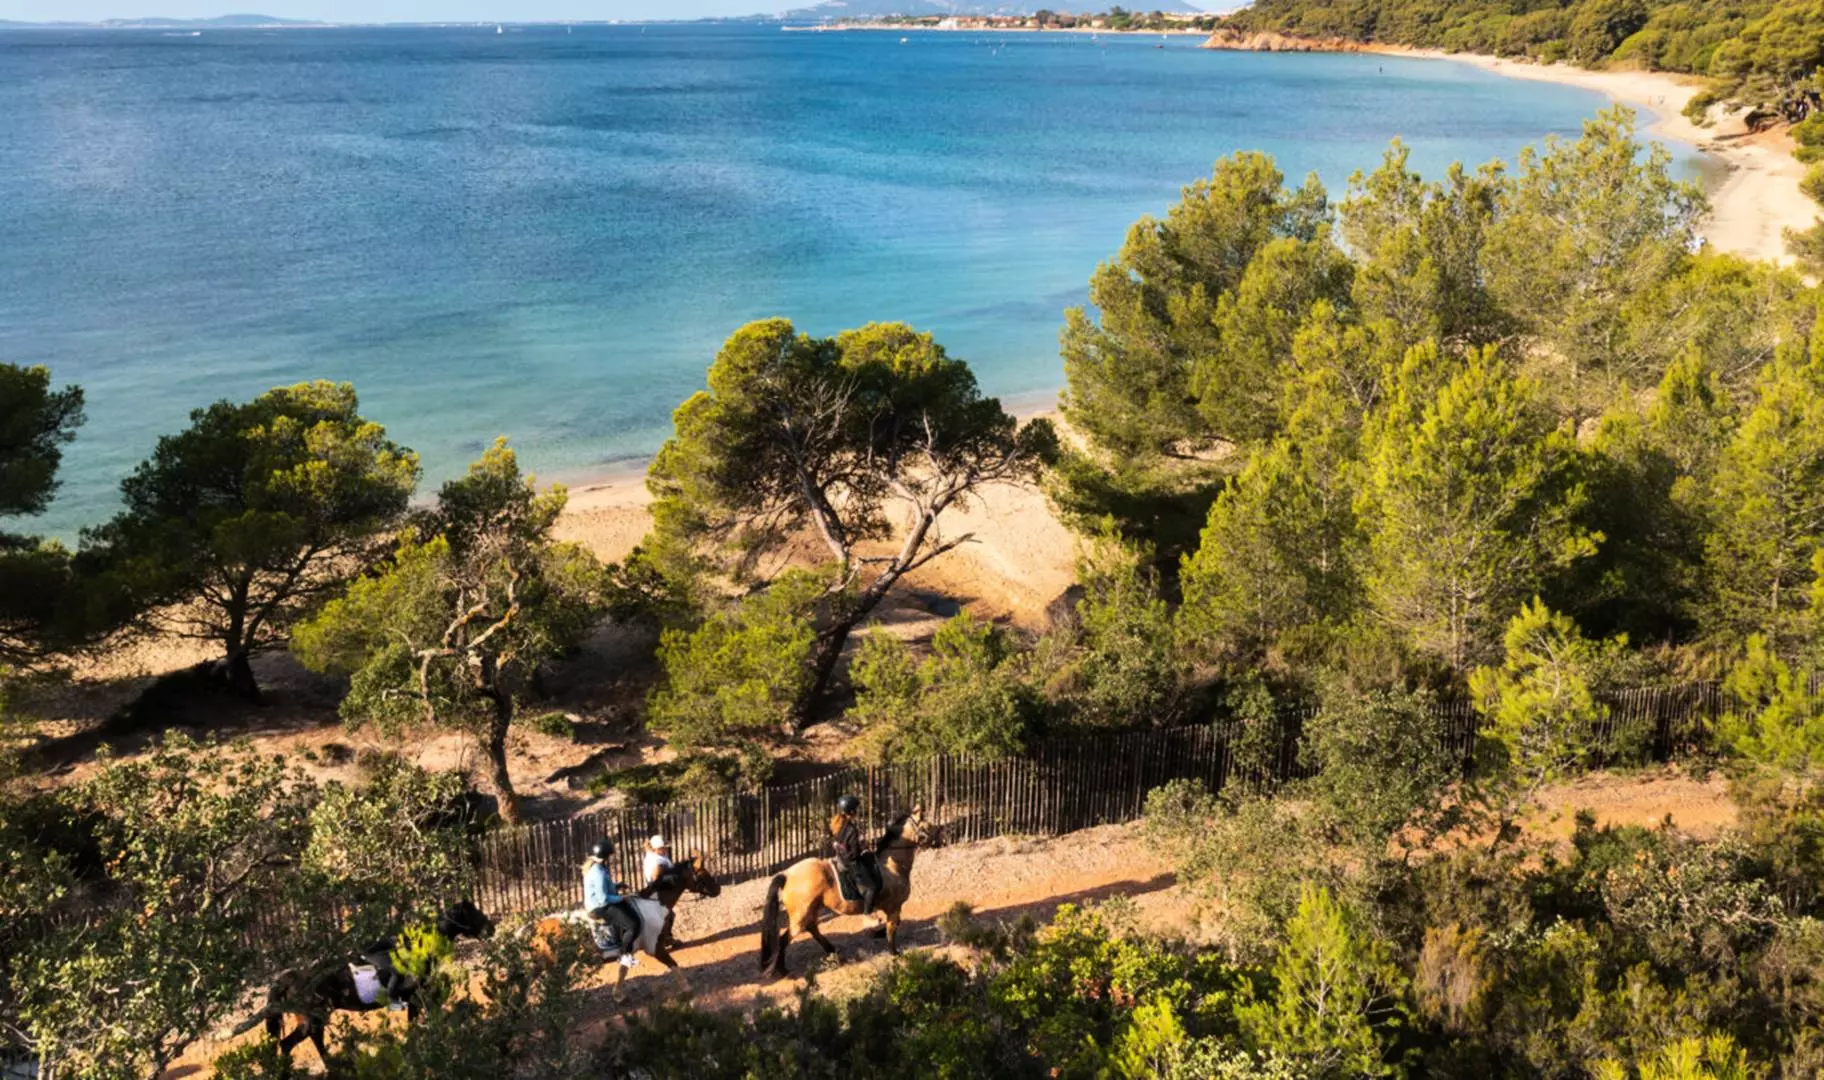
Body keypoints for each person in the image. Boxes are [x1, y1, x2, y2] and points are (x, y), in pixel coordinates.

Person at [583, 838, 639, 967]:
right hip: (600, 907)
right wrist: (621, 898)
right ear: (604, 857)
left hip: (600, 904)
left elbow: (604, 888)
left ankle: (620, 941)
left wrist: (618, 885)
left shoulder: (597, 868)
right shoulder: (598, 873)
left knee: (628, 909)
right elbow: (602, 899)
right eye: (608, 856)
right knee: (632, 925)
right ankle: (624, 955)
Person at [829, 794, 878, 916]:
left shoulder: (837, 825)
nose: (857, 811)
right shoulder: (851, 829)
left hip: (840, 858)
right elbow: (854, 854)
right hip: (850, 862)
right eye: (856, 809)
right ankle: (867, 915)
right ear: (852, 811)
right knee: (872, 888)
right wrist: (863, 850)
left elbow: (842, 844)